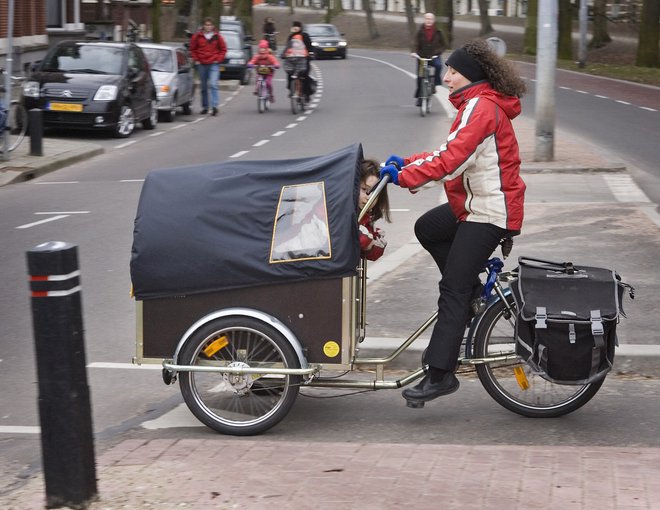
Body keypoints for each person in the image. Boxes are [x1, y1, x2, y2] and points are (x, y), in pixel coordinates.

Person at [379, 39, 527, 405]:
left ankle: (440, 374)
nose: (446, 78)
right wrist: (408, 161)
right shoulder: (477, 105)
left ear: (471, 76)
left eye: (453, 71)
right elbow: (449, 151)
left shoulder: (481, 109)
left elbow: (451, 162)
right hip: (478, 205)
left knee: (452, 290)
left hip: (491, 212)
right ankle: (473, 295)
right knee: (428, 228)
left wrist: (404, 177)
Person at [189, 17, 227, 116]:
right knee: (204, 87)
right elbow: (192, 49)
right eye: (206, 25)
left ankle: (215, 106)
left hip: (213, 63)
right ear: (203, 26)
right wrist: (196, 59)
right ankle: (205, 107)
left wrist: (218, 59)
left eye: (210, 25)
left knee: (213, 84)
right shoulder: (197, 36)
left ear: (213, 26)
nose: (208, 27)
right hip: (201, 64)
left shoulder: (217, 37)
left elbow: (223, 49)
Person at [358, 159, 391, 261]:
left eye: (374, 193)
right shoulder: (339, 211)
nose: (369, 198)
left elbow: (374, 255)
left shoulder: (366, 217)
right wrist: (366, 240)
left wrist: (372, 244)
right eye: (364, 189)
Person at [412, 12, 447, 106]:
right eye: (427, 19)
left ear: (433, 21)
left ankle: (434, 84)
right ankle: (420, 97)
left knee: (438, 65)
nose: (428, 21)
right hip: (422, 57)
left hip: (434, 56)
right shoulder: (420, 31)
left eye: (430, 19)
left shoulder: (438, 31)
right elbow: (415, 43)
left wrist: (438, 52)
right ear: (424, 20)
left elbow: (444, 45)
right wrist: (414, 52)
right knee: (420, 77)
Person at [283, 21, 314, 100]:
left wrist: (311, 53)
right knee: (290, 73)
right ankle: (292, 89)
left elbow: (309, 46)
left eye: (297, 26)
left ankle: (307, 93)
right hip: (292, 58)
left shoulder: (305, 36)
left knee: (305, 75)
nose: (295, 28)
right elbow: (288, 47)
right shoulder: (291, 37)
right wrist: (284, 54)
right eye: (294, 26)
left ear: (300, 28)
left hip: (303, 58)